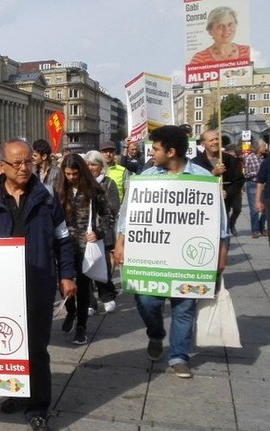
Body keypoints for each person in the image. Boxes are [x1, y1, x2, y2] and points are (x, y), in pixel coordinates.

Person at [0, 139, 76, 431]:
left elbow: (63, 238)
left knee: (36, 347)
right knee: (7, 345)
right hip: (1, 287)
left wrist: (67, 275)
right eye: (18, 163)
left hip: (37, 282)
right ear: (1, 165)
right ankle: (15, 393)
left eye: (29, 162)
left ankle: (37, 405)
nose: (25, 167)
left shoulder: (46, 195)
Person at [115, 125, 229, 379]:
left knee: (184, 307)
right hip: (152, 255)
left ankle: (179, 356)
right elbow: (129, 215)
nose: (152, 153)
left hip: (189, 260)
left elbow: (218, 220)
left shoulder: (202, 177)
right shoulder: (146, 177)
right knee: (146, 301)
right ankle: (155, 334)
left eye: (155, 149)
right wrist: (121, 242)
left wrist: (222, 252)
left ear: (171, 151)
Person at [56, 153, 112, 345]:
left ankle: (81, 326)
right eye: (68, 174)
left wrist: (98, 232)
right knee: (64, 282)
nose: (72, 177)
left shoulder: (95, 190)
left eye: (75, 174)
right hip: (63, 245)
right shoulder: (59, 189)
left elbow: (108, 216)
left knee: (83, 287)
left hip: (85, 245)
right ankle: (70, 312)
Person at [84, 151, 120, 313]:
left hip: (102, 231)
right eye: (88, 164)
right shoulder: (81, 183)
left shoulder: (109, 183)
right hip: (84, 232)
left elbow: (113, 208)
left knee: (102, 264)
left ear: (101, 166)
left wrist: (98, 209)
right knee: (85, 268)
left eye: (94, 164)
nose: (90, 168)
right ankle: (90, 302)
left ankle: (107, 295)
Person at [192, 130, 244, 236]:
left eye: (217, 139)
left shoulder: (230, 159)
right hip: (203, 209)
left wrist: (227, 192)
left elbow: (239, 180)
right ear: (203, 144)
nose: (215, 142)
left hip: (224, 206)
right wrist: (213, 173)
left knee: (224, 236)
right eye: (211, 140)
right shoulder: (196, 162)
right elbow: (194, 184)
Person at [245, 141, 268, 237]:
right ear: (258, 147)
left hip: (264, 185)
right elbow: (246, 173)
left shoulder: (265, 158)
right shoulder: (249, 158)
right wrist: (258, 172)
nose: (265, 147)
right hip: (252, 184)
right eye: (263, 146)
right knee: (254, 209)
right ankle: (255, 230)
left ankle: (261, 227)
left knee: (266, 208)